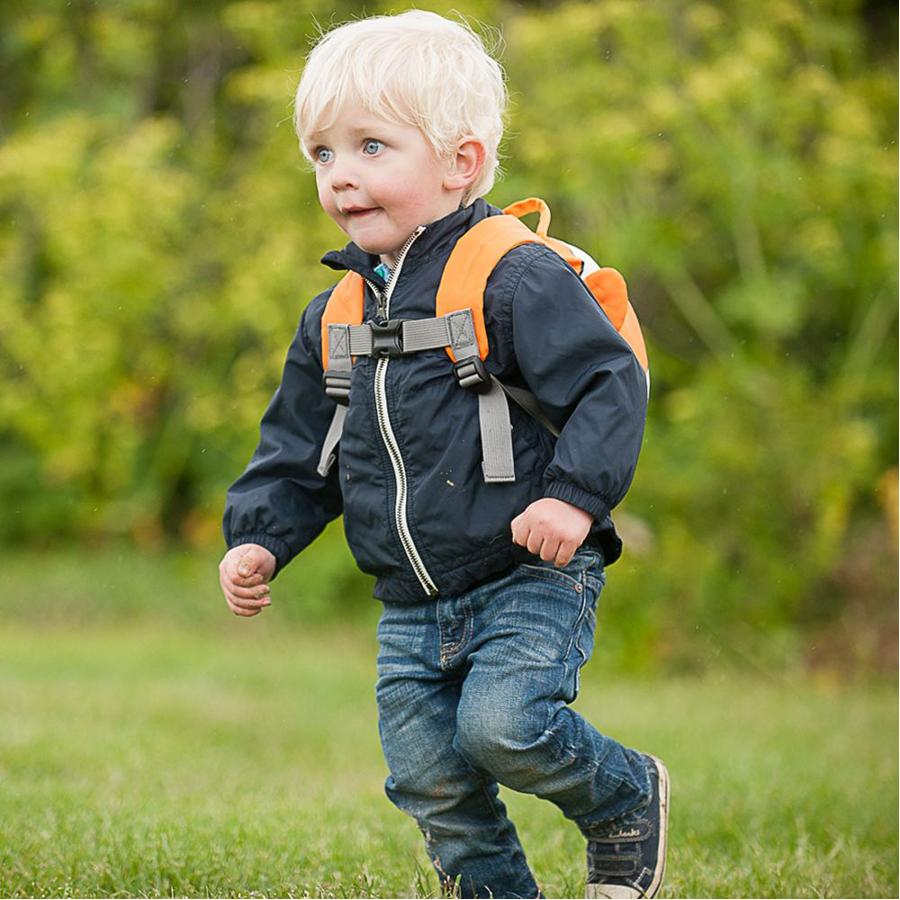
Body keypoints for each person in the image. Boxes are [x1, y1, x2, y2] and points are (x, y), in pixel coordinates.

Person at [219, 10, 668, 899]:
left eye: (372, 147)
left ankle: (623, 796)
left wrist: (575, 497)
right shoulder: (337, 317)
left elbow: (608, 384)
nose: (342, 175)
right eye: (323, 154)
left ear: (460, 163)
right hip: (413, 598)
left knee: (506, 728)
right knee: (429, 775)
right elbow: (300, 451)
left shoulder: (512, 276)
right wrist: (259, 535)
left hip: (529, 569)